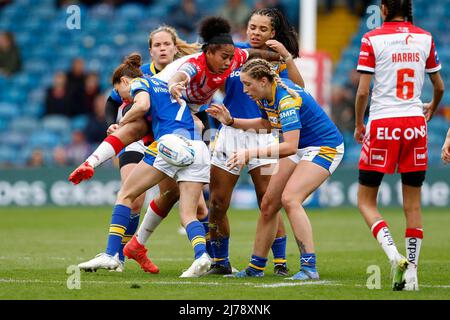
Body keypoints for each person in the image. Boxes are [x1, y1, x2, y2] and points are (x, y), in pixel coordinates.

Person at [76, 26, 204, 273]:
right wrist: (114, 125)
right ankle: (117, 256)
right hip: (137, 138)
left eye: (167, 44)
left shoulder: (184, 75)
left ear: (176, 48)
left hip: (169, 142)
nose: (162, 48)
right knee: (133, 197)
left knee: (185, 202)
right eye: (157, 45)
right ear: (150, 50)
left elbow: (196, 112)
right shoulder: (139, 74)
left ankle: (135, 247)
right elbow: (113, 100)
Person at [206, 58, 344, 280]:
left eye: (247, 84)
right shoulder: (265, 95)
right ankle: (255, 267)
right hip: (302, 147)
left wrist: (249, 153)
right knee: (269, 203)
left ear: (262, 81)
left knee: (290, 199)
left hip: (324, 147)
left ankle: (309, 268)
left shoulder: (285, 100)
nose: (244, 90)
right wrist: (231, 121)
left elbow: (288, 146)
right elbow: (266, 125)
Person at [206, 8, 304, 276]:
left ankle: (281, 263)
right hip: (230, 131)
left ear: (273, 33)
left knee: (268, 201)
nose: (255, 33)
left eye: (262, 29)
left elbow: (299, 89)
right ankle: (220, 262)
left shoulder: (276, 62)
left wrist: (285, 56)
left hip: (263, 134)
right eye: (252, 27)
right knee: (217, 202)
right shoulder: (232, 53)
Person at [354, 0, 444, 291]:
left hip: (383, 124)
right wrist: (431, 107)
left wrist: (358, 124)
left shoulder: (372, 38)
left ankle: (395, 256)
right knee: (413, 205)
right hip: (415, 125)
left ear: (383, 10)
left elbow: (363, 91)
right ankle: (413, 275)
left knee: (366, 201)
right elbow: (439, 86)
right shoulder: (425, 38)